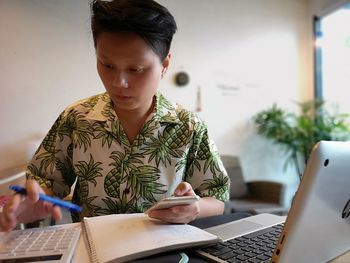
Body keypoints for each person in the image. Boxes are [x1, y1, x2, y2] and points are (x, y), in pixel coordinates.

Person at [0, 0, 229, 232]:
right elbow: (46, 185)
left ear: (165, 64)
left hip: (163, 251)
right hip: (91, 249)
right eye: (107, 65)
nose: (118, 83)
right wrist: (29, 205)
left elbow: (217, 197)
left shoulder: (189, 126)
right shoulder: (76, 118)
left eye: (136, 69)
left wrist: (195, 208)